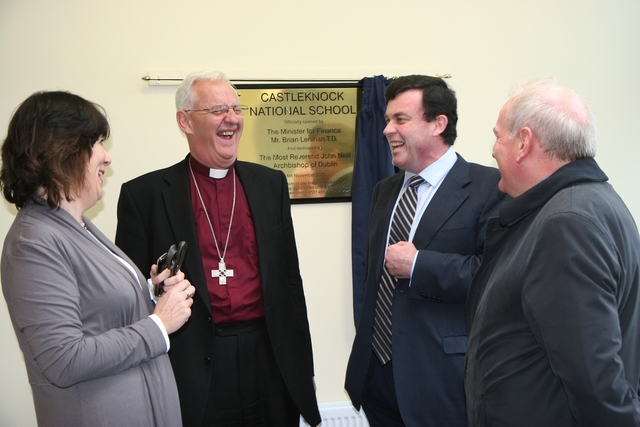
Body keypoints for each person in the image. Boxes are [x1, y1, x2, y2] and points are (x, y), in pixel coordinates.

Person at [115, 70, 321, 427]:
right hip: (194, 362)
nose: (232, 118)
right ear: (185, 121)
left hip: (269, 357)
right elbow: (128, 297)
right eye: (217, 110)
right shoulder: (144, 196)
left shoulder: (270, 184)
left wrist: (304, 369)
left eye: (236, 109)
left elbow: (291, 282)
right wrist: (153, 287)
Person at [0, 91, 196, 427]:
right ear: (63, 149)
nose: (106, 157)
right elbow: (64, 359)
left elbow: (96, 311)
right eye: (97, 143)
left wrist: (151, 293)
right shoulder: (33, 243)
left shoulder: (75, 226)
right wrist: (158, 325)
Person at [464, 79, 640, 426]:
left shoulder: (566, 223)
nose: (493, 149)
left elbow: (595, 381)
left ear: (523, 143)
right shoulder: (589, 203)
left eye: (498, 136)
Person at [344, 75, 505, 427]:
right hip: (377, 377)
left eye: (400, 119)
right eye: (387, 120)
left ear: (438, 124)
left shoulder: (489, 187)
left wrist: (420, 265)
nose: (387, 130)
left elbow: (495, 277)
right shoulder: (385, 191)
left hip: (441, 381)